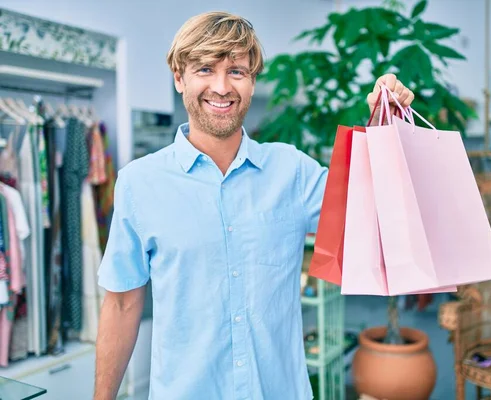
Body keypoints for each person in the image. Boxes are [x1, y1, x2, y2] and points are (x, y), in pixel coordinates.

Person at [93, 11, 414, 400]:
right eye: (205, 69)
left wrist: (386, 122)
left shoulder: (292, 170)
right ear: (179, 77)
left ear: (252, 80)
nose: (221, 87)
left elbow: (372, 214)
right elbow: (123, 304)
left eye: (237, 72)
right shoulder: (138, 184)